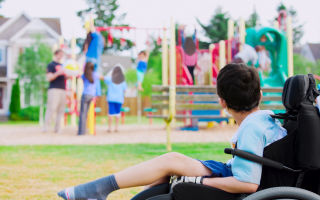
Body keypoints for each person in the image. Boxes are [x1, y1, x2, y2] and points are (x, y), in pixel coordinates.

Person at [57, 63, 287, 200]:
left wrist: (197, 181)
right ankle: (98, 191)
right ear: (260, 96)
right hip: (228, 171)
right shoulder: (266, 118)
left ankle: (98, 189)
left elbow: (248, 185)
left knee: (171, 161)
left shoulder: (252, 129)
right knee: (168, 165)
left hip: (235, 182)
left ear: (222, 103)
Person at [43, 49, 66, 133]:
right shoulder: (51, 65)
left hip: (63, 89)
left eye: (62, 55)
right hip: (54, 89)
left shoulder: (63, 65)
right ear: (56, 54)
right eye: (60, 54)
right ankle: (46, 126)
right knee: (52, 108)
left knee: (61, 109)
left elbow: (64, 77)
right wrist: (58, 73)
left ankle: (58, 128)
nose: (61, 56)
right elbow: (49, 78)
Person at [78, 62, 103, 135]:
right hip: (92, 96)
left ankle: (81, 132)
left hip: (85, 95)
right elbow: (100, 80)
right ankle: (91, 130)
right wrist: (98, 94)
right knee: (90, 113)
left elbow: (81, 80)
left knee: (83, 114)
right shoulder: (95, 74)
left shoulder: (84, 75)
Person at [104, 66, 127, 132]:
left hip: (111, 98)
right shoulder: (122, 81)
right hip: (119, 99)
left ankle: (110, 128)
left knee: (110, 113)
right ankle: (116, 128)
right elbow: (125, 90)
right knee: (117, 113)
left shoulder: (111, 79)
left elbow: (104, 78)